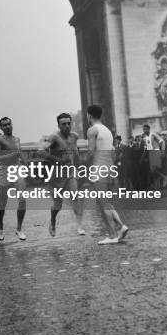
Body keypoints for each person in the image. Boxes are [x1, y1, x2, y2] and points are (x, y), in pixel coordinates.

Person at [87, 105, 128, 245]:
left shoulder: (92, 130)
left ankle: (112, 235)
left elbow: (91, 152)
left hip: (99, 169)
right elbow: (113, 153)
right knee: (107, 202)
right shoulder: (108, 131)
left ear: (89, 116)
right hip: (110, 168)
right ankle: (121, 226)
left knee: (102, 203)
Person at [39, 113, 85, 237]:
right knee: (57, 206)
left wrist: (79, 168)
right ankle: (53, 221)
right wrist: (55, 159)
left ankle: (80, 226)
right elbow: (40, 151)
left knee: (75, 197)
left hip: (70, 172)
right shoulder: (54, 137)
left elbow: (75, 153)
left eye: (69, 123)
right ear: (58, 125)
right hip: (56, 176)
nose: (67, 126)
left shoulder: (74, 136)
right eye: (63, 124)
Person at [0, 117, 27, 241]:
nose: (7, 127)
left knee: (22, 200)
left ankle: (19, 228)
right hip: (5, 171)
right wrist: (10, 155)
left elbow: (20, 154)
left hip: (17, 169)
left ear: (12, 124)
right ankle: (0, 226)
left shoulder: (17, 139)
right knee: (3, 202)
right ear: (1, 128)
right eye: (4, 125)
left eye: (8, 124)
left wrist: (28, 166)